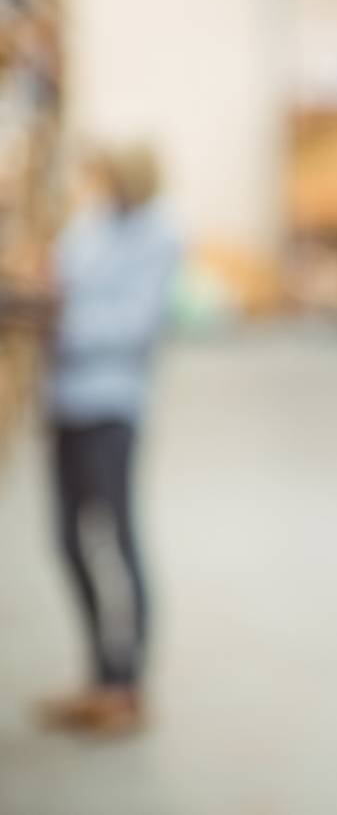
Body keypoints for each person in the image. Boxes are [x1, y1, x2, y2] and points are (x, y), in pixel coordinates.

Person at [34, 142, 181, 737]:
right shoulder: (88, 226)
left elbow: (136, 324)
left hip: (113, 406)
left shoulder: (159, 235)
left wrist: (62, 323)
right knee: (68, 540)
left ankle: (128, 685)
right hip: (64, 402)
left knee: (117, 540)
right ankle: (98, 676)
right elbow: (57, 280)